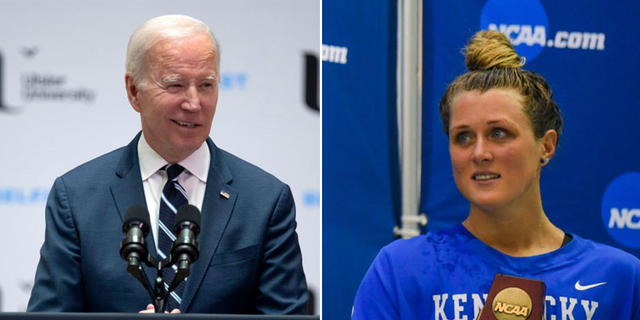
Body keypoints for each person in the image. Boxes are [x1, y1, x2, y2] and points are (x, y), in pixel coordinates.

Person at [27, 14, 308, 314]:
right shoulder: (76, 198)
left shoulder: (265, 200)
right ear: (134, 91)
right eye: (175, 85)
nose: (194, 103)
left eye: (206, 85)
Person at [351, 30, 640, 319]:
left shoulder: (620, 279)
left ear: (547, 146)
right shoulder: (400, 270)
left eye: (498, 133)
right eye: (463, 137)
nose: (479, 153)